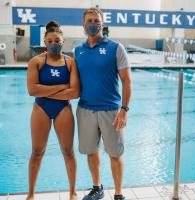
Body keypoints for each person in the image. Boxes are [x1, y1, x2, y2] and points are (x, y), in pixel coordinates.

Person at [75, 7, 132, 200]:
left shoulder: (116, 48)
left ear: (103, 23)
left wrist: (124, 110)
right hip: (85, 110)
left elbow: (127, 81)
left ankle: (118, 194)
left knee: (115, 154)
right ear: (83, 25)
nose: (93, 24)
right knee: (91, 152)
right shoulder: (78, 50)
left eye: (96, 20)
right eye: (89, 20)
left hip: (111, 110)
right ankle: (97, 188)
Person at [26, 21, 80, 200]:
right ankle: (31, 194)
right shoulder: (36, 61)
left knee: (68, 151)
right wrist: (61, 87)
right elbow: (32, 90)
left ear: (63, 41)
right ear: (45, 42)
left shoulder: (70, 62)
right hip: (41, 108)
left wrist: (47, 90)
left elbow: (75, 92)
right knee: (36, 151)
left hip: (62, 109)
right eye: (50, 41)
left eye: (57, 40)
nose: (53, 43)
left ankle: (72, 192)